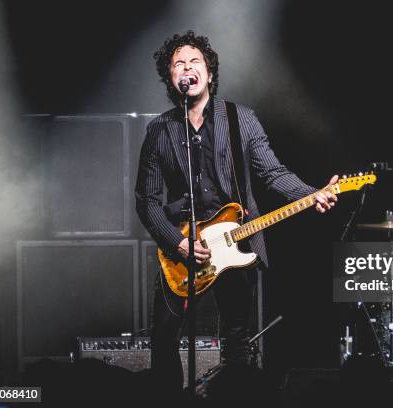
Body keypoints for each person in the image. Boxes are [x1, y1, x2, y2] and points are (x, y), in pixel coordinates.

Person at [135, 30, 338, 393]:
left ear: (209, 73)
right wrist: (177, 242)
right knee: (163, 341)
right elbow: (146, 200)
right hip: (181, 250)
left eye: (195, 61)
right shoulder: (159, 131)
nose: (187, 67)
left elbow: (272, 173)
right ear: (170, 78)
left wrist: (313, 193)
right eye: (178, 63)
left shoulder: (240, 119)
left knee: (236, 342)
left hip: (235, 243)